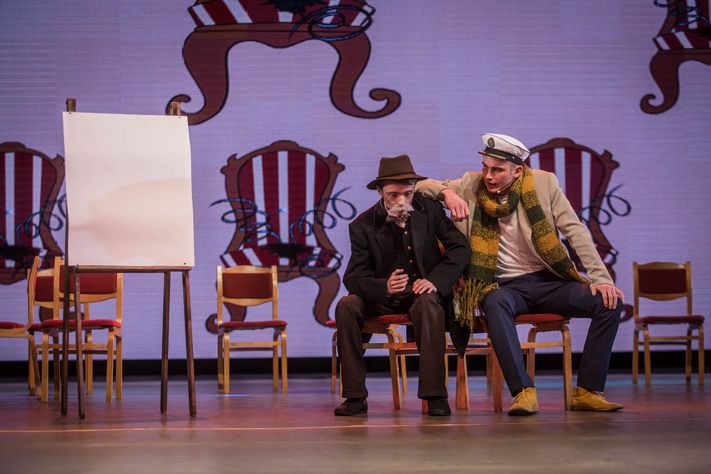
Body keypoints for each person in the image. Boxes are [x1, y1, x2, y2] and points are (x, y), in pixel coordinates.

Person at [417, 133, 625, 416]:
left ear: (517, 170)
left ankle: (588, 391)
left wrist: (601, 279)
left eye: (497, 170)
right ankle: (523, 391)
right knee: (493, 303)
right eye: (485, 167)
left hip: (548, 281)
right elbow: (419, 185)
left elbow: (574, 230)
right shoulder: (470, 184)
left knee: (609, 303)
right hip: (505, 287)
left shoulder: (544, 183)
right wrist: (447, 193)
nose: (488, 176)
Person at [334, 154, 470, 417]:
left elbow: (460, 249)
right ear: (380, 192)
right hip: (383, 298)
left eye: (407, 194)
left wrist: (435, 280)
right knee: (346, 305)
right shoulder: (363, 225)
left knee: (428, 303)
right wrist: (384, 286)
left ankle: (435, 396)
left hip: (421, 294)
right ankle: (355, 396)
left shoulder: (429, 211)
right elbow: (354, 277)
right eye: (393, 195)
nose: (401, 201)